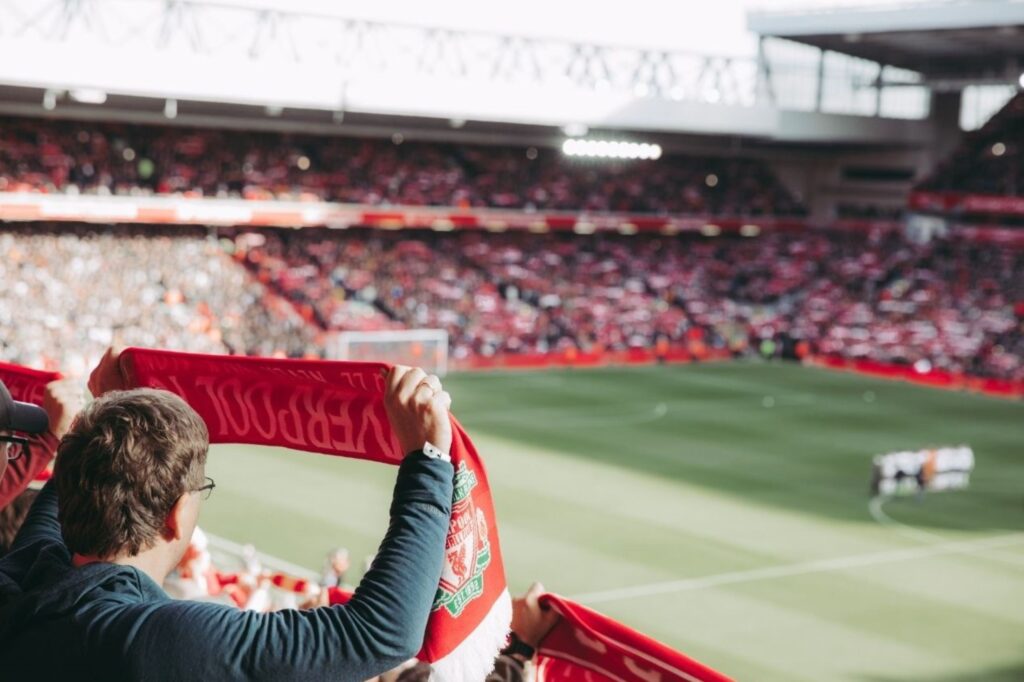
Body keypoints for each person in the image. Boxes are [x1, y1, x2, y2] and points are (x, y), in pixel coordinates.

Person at [0, 353, 456, 682]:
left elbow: (61, 497)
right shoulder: (153, 640)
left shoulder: (21, 580)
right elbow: (378, 634)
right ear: (176, 516)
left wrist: (108, 420)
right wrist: (429, 459)